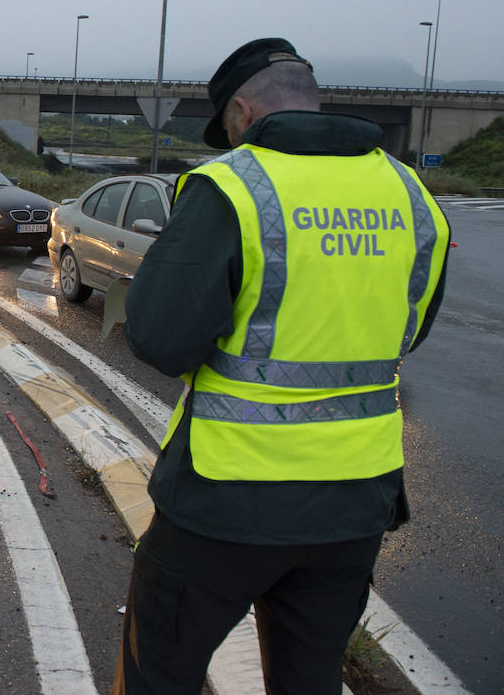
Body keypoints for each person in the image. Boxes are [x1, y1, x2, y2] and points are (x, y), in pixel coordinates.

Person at [113, 38, 451, 694]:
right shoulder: (410, 195)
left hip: (224, 499)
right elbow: (410, 328)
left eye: (229, 128)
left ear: (242, 110)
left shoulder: (234, 186)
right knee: (310, 680)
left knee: (158, 674)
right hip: (355, 504)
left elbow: (158, 337)